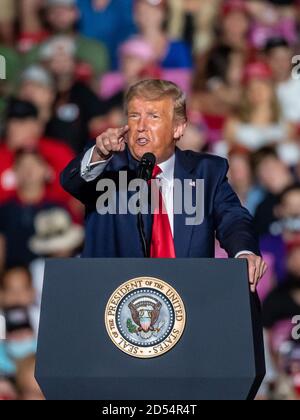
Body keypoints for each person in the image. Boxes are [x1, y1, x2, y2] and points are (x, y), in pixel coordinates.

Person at [61, 79, 267, 292]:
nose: (141, 127)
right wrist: (98, 154)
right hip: (113, 301)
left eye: (153, 117)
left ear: (178, 128)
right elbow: (72, 182)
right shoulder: (108, 167)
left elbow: (233, 218)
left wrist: (244, 253)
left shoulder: (206, 172)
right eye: (134, 116)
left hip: (189, 299)